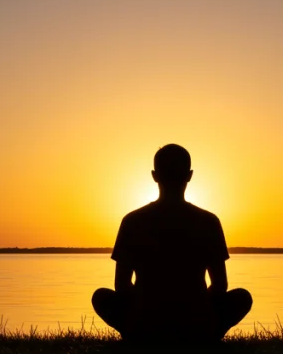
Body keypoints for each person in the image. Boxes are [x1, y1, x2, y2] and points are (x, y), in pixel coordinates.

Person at [92, 144, 253, 342]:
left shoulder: (132, 221)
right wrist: (197, 305)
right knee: (242, 297)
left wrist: (146, 306)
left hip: (145, 321)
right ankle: (205, 336)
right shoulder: (209, 221)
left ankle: (139, 335)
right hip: (196, 321)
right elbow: (220, 285)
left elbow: (122, 286)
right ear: (189, 175)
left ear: (154, 175)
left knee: (101, 297)